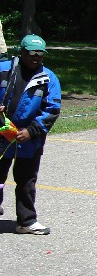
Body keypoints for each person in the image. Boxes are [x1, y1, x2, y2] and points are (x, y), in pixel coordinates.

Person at [0, 35, 61, 234]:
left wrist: (32, 131)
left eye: (40, 53)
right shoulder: (4, 69)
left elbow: (52, 109)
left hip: (29, 139)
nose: (36, 57)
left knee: (26, 180)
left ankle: (26, 221)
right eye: (32, 53)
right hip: (2, 134)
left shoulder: (49, 78)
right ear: (22, 52)